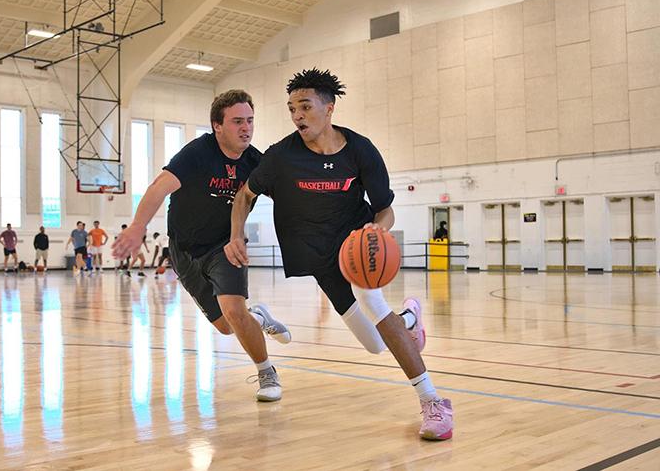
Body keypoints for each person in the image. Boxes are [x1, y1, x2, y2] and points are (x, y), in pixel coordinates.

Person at [225, 69, 454, 440]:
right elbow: (244, 195)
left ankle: (433, 403)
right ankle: (410, 320)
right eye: (291, 109)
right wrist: (236, 235)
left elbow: (384, 208)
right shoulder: (281, 156)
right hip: (320, 260)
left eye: (305, 106)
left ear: (328, 108)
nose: (297, 115)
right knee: (375, 344)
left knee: (375, 307)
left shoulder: (361, 150)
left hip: (356, 249)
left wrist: (377, 229)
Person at [112, 89, 290, 402]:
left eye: (249, 121)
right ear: (217, 126)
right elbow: (159, 187)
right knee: (225, 326)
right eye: (237, 121)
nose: (246, 128)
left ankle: (266, 372)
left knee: (234, 311)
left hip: (226, 245)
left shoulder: (254, 161)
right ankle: (258, 318)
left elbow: (287, 195)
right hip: (185, 250)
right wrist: (138, 227)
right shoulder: (197, 154)